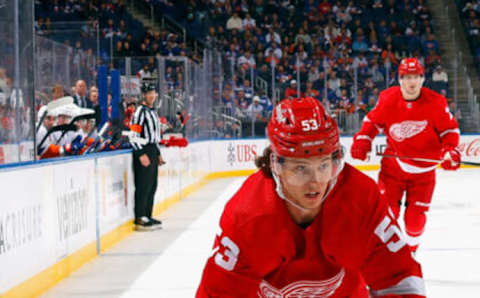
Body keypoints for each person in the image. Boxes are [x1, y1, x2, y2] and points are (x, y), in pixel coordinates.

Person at [196, 97, 425, 297]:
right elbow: (218, 292)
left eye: (324, 165)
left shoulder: (361, 200)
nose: (315, 181)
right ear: (276, 165)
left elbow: (400, 278)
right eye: (300, 168)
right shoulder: (246, 218)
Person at [350, 58, 461, 252]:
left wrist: (450, 150)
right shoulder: (388, 98)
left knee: (415, 222)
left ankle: (410, 255)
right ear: (400, 79)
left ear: (422, 78)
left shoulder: (435, 102)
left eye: (416, 77)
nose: (412, 82)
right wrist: (363, 139)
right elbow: (372, 122)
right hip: (392, 168)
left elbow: (449, 130)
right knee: (387, 215)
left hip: (424, 174)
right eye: (407, 77)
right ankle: (385, 258)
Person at [129, 83, 165, 231]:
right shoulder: (140, 112)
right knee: (143, 185)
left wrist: (158, 153)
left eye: (154, 92)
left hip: (152, 149)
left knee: (152, 185)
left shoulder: (153, 112)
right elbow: (133, 135)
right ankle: (140, 217)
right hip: (143, 150)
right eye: (149, 93)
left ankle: (148, 214)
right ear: (144, 95)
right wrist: (141, 153)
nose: (152, 95)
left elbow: (155, 136)